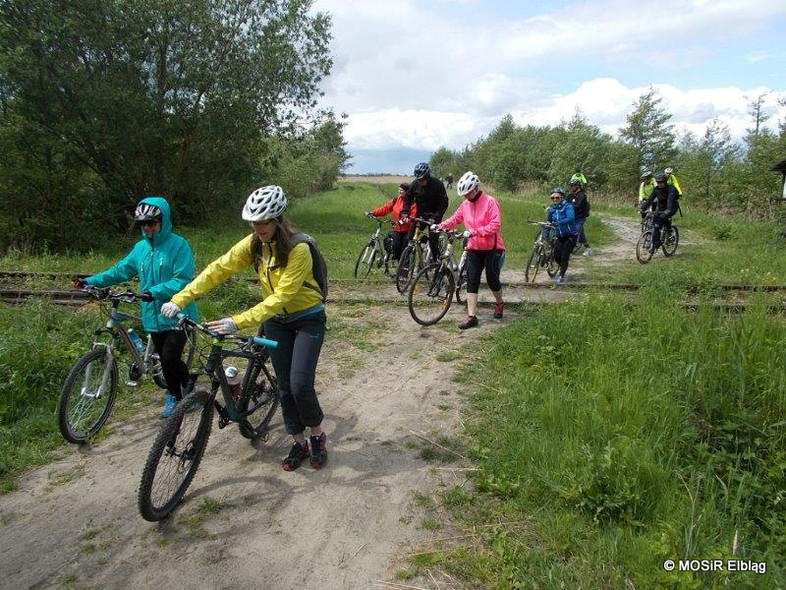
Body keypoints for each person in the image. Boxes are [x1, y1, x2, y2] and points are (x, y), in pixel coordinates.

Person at [160, 185, 328, 471]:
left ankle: (316, 436)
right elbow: (219, 268)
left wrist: (236, 321)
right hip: (276, 322)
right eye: (253, 222)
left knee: (300, 385)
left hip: (307, 318)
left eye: (262, 222)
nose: (257, 228)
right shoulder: (254, 244)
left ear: (277, 219)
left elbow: (282, 297)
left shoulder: (299, 249)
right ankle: (298, 441)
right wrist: (180, 298)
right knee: (285, 385)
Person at [73, 197, 199, 418]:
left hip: (179, 313)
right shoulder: (140, 248)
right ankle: (174, 395)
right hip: (152, 315)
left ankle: (187, 386)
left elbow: (183, 279)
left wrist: (155, 291)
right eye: (143, 224)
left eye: (152, 222)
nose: (148, 228)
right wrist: (90, 281)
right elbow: (119, 271)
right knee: (163, 358)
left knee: (170, 358)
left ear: (163, 220)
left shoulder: (179, 246)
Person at [434, 171, 505, 330]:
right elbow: (455, 219)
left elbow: (495, 225)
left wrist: (475, 231)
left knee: (492, 280)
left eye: (468, 192)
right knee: (472, 281)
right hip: (473, 248)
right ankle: (472, 316)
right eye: (463, 194)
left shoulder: (490, 202)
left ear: (475, 188)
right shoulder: (465, 205)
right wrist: (439, 226)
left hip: (492, 248)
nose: (465, 196)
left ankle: (499, 303)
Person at [401, 162, 449, 263]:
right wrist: (405, 212)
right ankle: (405, 266)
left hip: (434, 217)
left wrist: (436, 217)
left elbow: (444, 203)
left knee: (433, 241)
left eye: (422, 179)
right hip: (421, 215)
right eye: (418, 179)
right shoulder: (415, 184)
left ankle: (436, 262)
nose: (420, 181)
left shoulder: (437, 185)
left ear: (427, 176)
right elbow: (408, 198)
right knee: (409, 238)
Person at [367, 183, 417, 263]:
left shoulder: (412, 203)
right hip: (397, 229)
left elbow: (413, 216)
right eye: (399, 190)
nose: (399, 192)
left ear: (407, 192)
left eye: (402, 190)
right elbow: (385, 209)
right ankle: (396, 265)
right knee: (395, 249)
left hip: (408, 230)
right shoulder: (395, 200)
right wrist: (373, 213)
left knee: (404, 251)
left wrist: (405, 221)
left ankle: (404, 269)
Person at [544, 187, 578, 285]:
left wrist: (558, 223)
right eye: (553, 198)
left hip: (570, 235)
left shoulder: (568, 206)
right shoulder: (552, 209)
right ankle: (563, 267)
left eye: (557, 197)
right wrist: (546, 233)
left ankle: (561, 276)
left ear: (562, 197)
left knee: (564, 257)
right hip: (559, 236)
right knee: (556, 256)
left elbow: (571, 218)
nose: (555, 199)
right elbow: (549, 222)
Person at [639, 173, 679, 250]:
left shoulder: (671, 189)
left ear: (665, 182)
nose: (659, 184)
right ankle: (656, 243)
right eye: (658, 182)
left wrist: (667, 211)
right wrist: (642, 208)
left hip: (672, 207)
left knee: (663, 217)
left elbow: (670, 201)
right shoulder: (656, 189)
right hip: (661, 207)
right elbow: (649, 200)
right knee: (656, 225)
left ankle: (669, 231)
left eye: (661, 182)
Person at [567, 175, 593, 256]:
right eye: (570, 186)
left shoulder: (582, 195)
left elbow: (577, 206)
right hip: (572, 217)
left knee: (575, 232)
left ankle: (569, 251)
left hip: (580, 217)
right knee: (580, 233)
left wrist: (568, 208)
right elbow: (565, 203)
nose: (571, 187)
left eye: (572, 186)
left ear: (577, 186)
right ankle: (588, 248)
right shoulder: (570, 195)